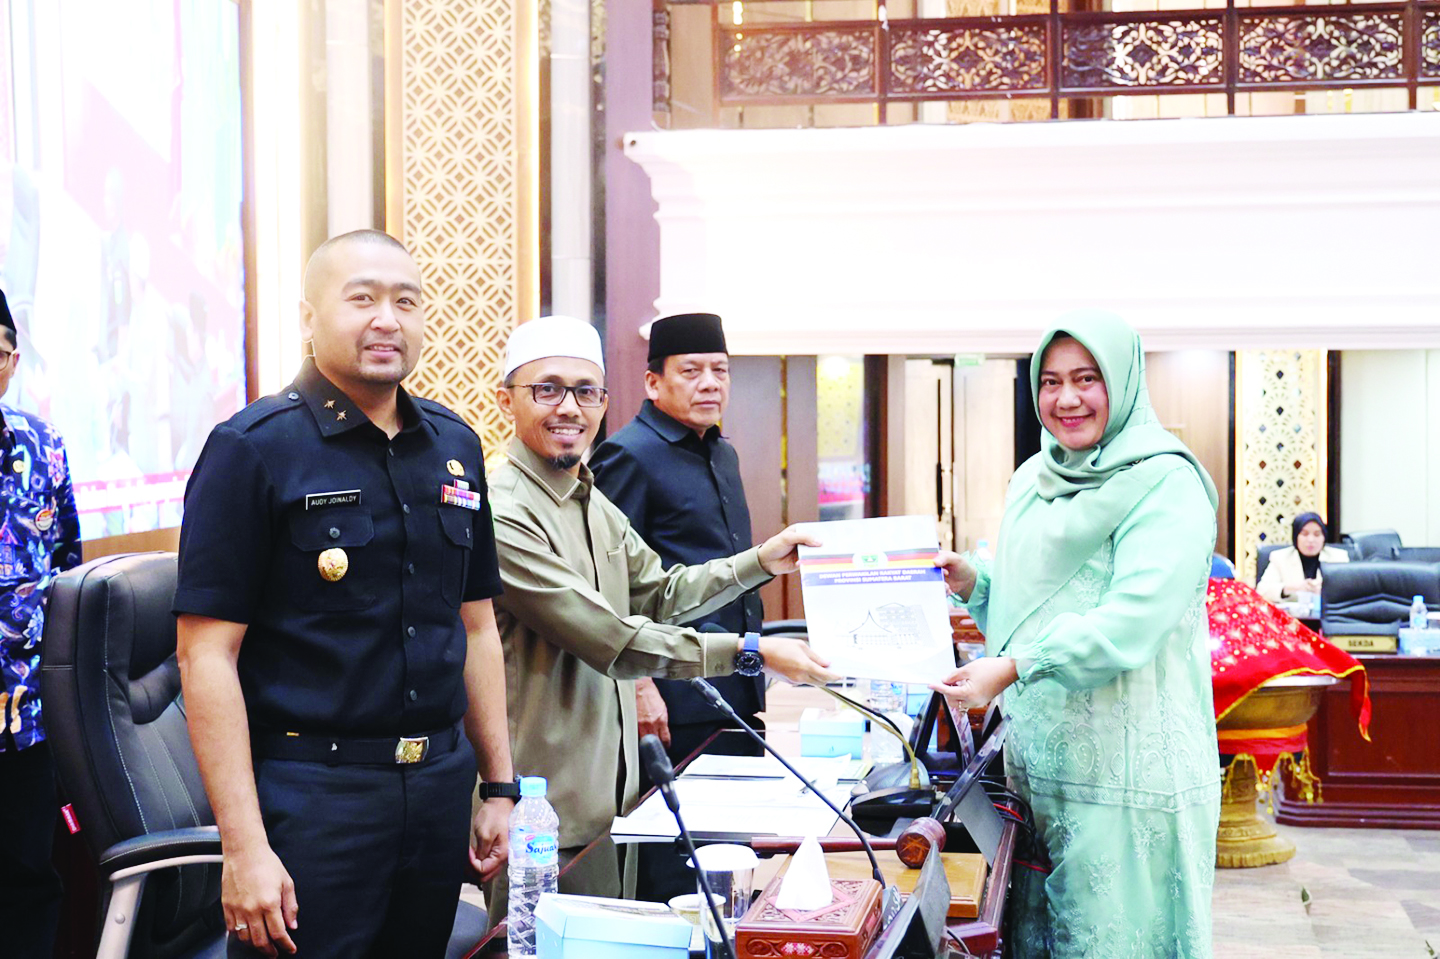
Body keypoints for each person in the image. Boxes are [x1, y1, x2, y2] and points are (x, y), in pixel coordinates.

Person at [174, 230, 515, 959]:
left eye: (406, 302)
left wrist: (499, 787)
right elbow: (205, 656)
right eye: (362, 298)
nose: (387, 319)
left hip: (437, 790)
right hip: (314, 799)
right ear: (308, 316)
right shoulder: (252, 448)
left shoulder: (455, 446)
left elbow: (477, 627)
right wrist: (243, 846)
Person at [486, 315, 836, 909]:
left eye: (586, 392)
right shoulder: (503, 511)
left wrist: (760, 562)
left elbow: (662, 592)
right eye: (547, 389)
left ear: (603, 403)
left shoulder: (589, 500)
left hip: (620, 801)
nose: (569, 407)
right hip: (546, 812)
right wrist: (750, 651)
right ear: (507, 401)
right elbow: (611, 638)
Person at [930, 310, 1221, 958]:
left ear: (1123, 381)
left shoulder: (1167, 484)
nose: (1066, 398)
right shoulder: (1033, 481)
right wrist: (975, 581)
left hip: (1128, 783)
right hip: (1037, 778)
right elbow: (1033, 601)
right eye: (1051, 380)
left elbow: (1132, 617)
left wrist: (1016, 666)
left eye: (1087, 379)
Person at [591, 312, 764, 768]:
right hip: (672, 699)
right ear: (653, 382)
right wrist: (638, 686)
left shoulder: (723, 453)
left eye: (720, 370)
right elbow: (606, 583)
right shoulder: (627, 454)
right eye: (691, 371)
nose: (710, 384)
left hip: (736, 687)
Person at [0, 287, 82, 959]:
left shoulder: (42, 443)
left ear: (12, 361)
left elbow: (66, 559)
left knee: (28, 879)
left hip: (22, 716)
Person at [1255, 512, 1349, 604]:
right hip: (1291, 613)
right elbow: (1262, 591)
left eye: (1317, 534)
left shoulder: (1338, 557)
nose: (1311, 540)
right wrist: (1291, 588)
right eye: (1305, 534)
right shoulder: (1280, 558)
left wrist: (1325, 591)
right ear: (1296, 537)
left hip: (1329, 613)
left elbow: (1348, 591)